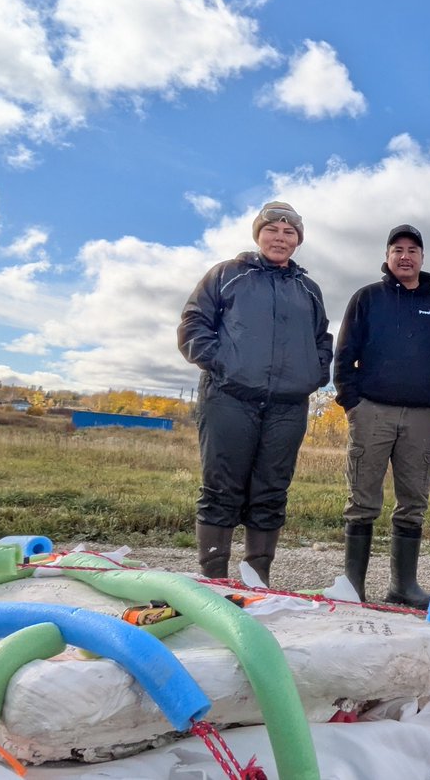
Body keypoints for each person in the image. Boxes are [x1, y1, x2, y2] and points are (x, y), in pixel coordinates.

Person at [178, 201, 332, 586]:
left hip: (286, 406)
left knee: (271, 490)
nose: (280, 238)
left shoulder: (307, 288)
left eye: (289, 232)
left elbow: (322, 338)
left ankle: (257, 578)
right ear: (258, 234)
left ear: (298, 240)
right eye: (272, 230)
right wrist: (220, 362)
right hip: (228, 397)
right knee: (221, 486)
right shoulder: (227, 275)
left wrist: (313, 374)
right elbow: (194, 321)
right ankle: (215, 579)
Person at [333, 224, 430, 608]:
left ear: (422, 257)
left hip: (423, 418)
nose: (405, 256)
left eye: (412, 250)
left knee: (413, 501)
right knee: (363, 499)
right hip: (372, 411)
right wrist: (351, 402)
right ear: (387, 257)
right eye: (397, 249)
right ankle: (353, 585)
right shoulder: (367, 297)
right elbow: (344, 353)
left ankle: (403, 586)